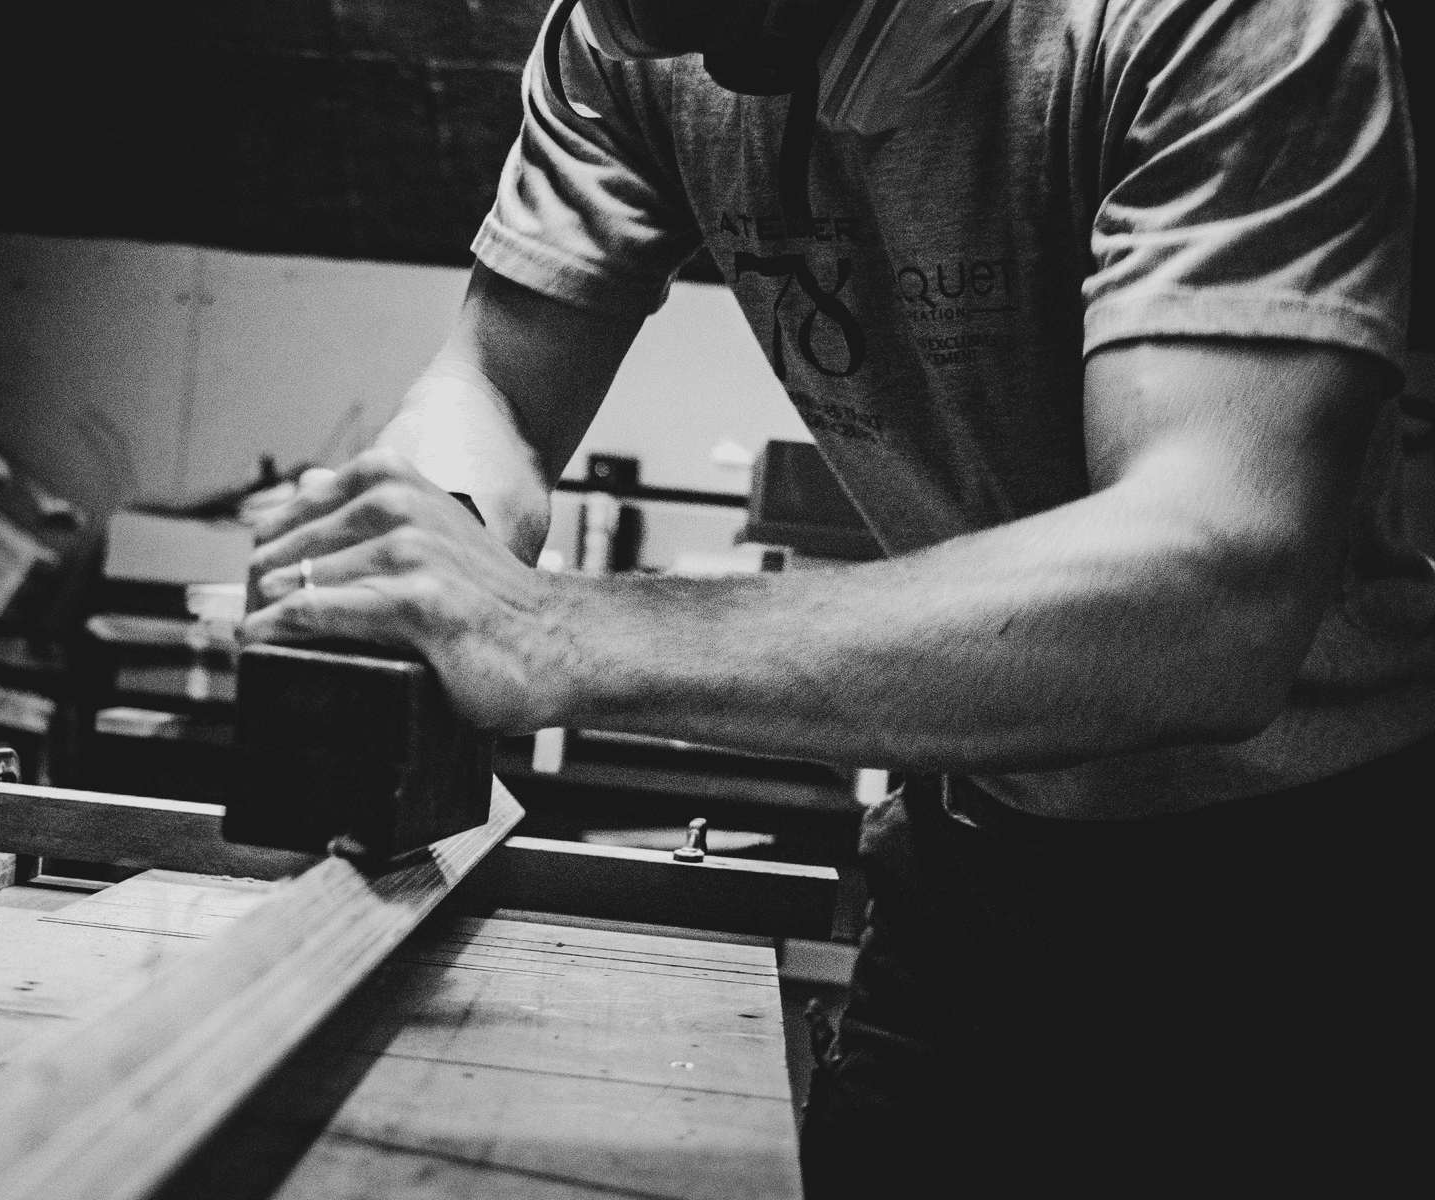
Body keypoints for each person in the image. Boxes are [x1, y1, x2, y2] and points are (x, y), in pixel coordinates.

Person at [240, 0, 1424, 1194]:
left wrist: (544, 630)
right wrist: (412, 541)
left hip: (1318, 892)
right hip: (976, 851)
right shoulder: (628, 33)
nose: (686, 63)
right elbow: (496, 386)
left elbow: (1211, 598)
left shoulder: (1223, 24)